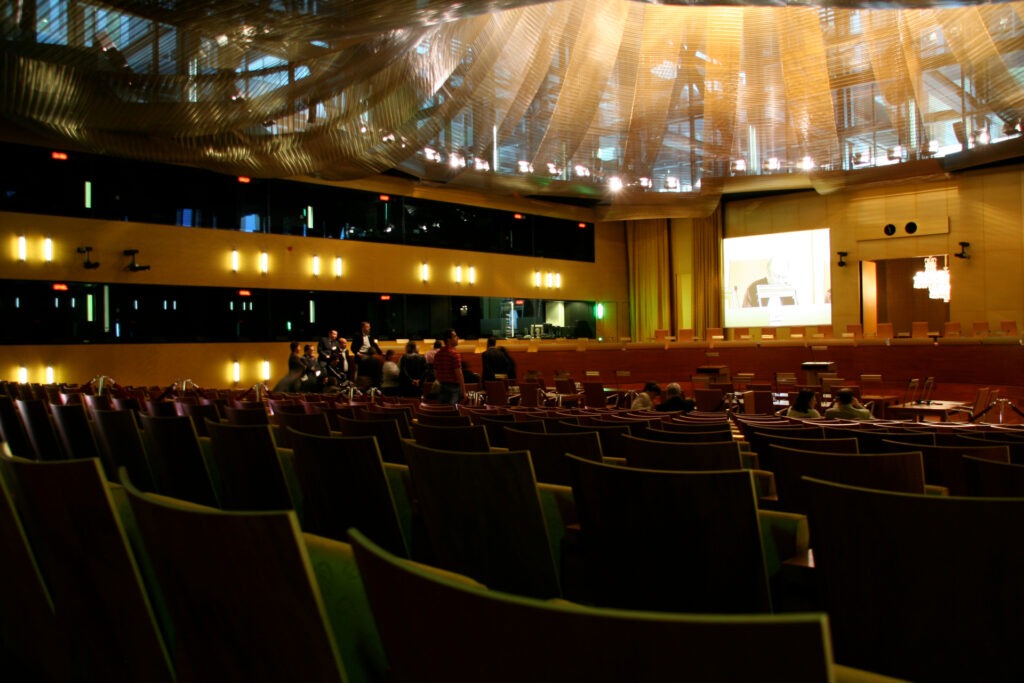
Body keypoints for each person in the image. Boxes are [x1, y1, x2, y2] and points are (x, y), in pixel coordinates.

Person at [432, 328, 466, 405]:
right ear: (448, 340)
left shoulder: (438, 354)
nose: (458, 338)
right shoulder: (454, 354)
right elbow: (459, 374)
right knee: (452, 412)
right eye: (455, 336)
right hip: (453, 388)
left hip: (442, 387)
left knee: (443, 412)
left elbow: (435, 372)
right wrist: (464, 392)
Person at [353, 321, 384, 387]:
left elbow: (374, 345)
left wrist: (381, 353)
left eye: (369, 327)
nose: (369, 328)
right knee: (358, 371)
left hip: (369, 355)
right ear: (362, 327)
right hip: (360, 355)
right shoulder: (357, 335)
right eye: (367, 327)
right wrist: (358, 354)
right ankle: (357, 385)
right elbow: (353, 347)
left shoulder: (370, 335)